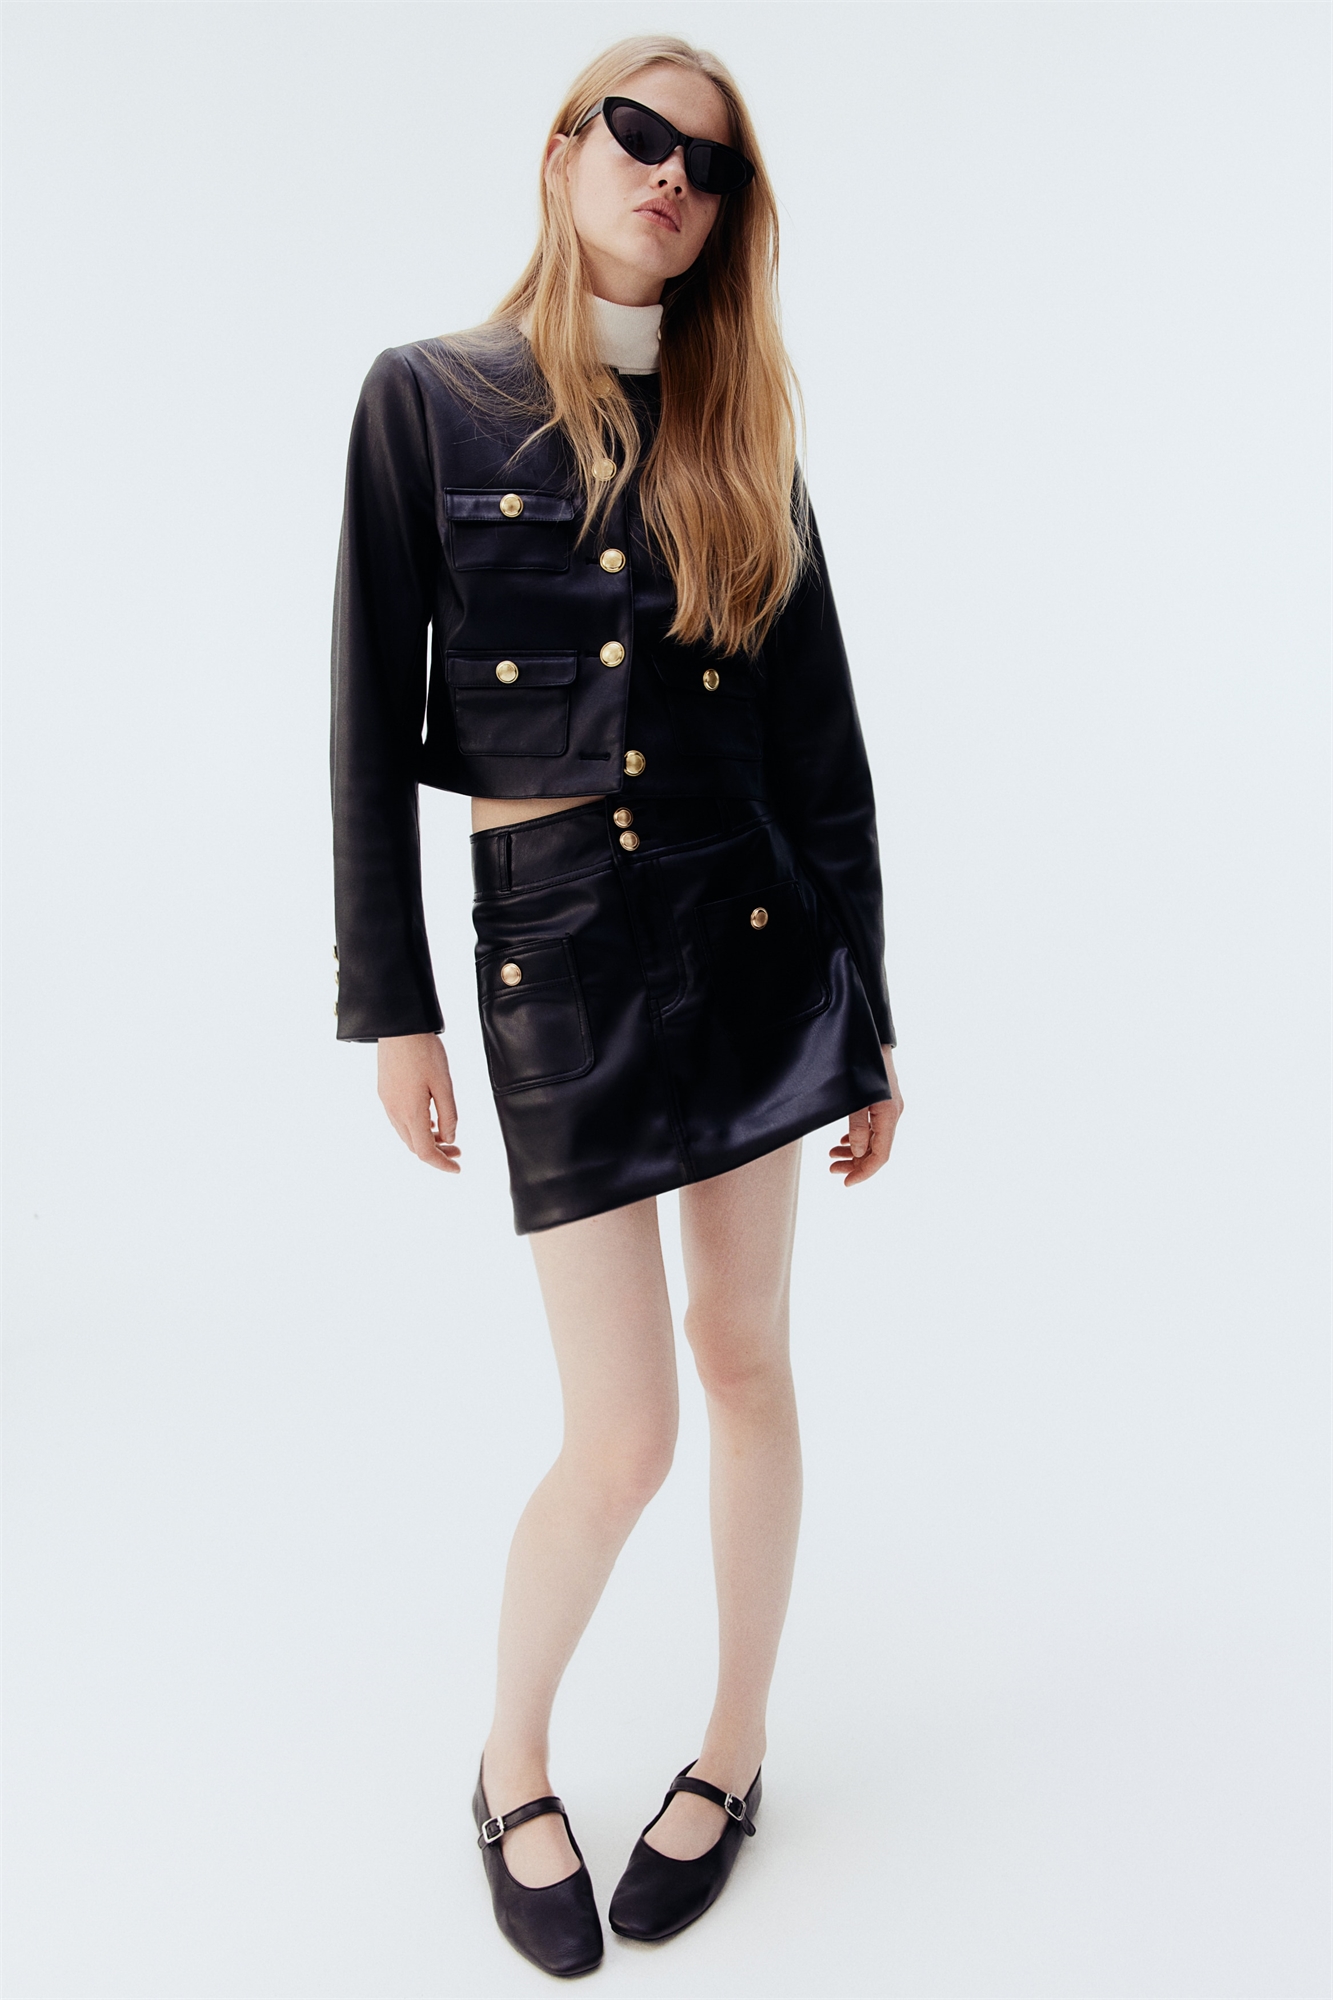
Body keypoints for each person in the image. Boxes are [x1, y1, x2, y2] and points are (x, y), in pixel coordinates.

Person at [330, 33, 904, 1979]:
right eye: (640, 136)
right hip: (556, 959)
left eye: (708, 165)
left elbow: (822, 749)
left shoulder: (742, 435)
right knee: (622, 1433)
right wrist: (394, 1009)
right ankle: (509, 1760)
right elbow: (361, 730)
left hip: (752, 942)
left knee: (743, 1360)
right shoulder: (426, 401)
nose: (670, 176)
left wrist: (869, 1011)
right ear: (565, 149)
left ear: (727, 216)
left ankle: (732, 1752)